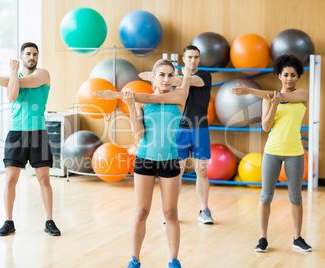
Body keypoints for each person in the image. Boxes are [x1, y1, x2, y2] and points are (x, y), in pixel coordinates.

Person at [95, 59, 192, 268]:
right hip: (145, 158)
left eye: (170, 75)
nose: (166, 79)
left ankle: (173, 260)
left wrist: (116, 96)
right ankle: (135, 259)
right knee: (141, 212)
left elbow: (151, 96)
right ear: (154, 77)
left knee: (171, 213)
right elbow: (139, 135)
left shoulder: (179, 96)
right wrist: (130, 104)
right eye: (162, 75)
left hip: (170, 160)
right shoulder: (140, 102)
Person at [0, 42, 60, 237]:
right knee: (10, 180)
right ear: (21, 57)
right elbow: (12, 95)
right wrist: (11, 76)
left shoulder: (43, 74)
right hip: (16, 134)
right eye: (28, 54)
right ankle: (9, 222)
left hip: (38, 133)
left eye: (35, 54)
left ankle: (49, 221)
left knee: (44, 179)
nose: (32, 57)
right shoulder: (15, 78)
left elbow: (26, 83)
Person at [231, 54, 312, 252]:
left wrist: (250, 90)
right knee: (266, 196)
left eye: (293, 75)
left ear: (298, 76)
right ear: (279, 75)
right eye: (286, 75)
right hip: (272, 152)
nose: (290, 78)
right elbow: (266, 127)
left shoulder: (302, 95)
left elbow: (283, 96)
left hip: (295, 152)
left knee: (296, 198)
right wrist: (274, 104)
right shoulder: (268, 99)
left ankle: (297, 238)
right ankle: (263, 238)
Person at [139, 45, 214, 224]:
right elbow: (171, 82)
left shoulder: (204, 76)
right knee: (176, 172)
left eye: (196, 57)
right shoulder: (171, 78)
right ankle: (171, 211)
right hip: (179, 128)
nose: (193, 60)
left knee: (201, 170)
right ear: (183, 59)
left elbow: (184, 81)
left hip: (199, 128)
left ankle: (204, 210)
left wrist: (158, 77)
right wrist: (162, 78)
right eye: (189, 57)